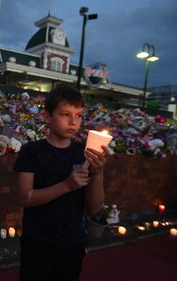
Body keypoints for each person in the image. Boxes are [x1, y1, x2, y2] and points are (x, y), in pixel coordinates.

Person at [14, 85, 108, 281]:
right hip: (38, 242)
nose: (73, 121)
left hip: (73, 243)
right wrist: (66, 186)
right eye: (66, 114)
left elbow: (95, 209)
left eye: (79, 115)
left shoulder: (83, 153)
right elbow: (25, 198)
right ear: (48, 117)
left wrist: (98, 174)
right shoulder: (31, 151)